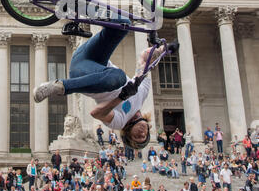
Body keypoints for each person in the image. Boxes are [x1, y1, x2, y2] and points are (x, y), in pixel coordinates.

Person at [34, 20, 178, 150]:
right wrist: (162, 51)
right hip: (89, 57)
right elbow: (144, 59)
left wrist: (122, 97)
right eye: (145, 135)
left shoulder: (120, 122)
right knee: (123, 24)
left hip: (81, 74)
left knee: (119, 78)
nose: (142, 133)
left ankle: (60, 87)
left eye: (138, 137)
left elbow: (96, 113)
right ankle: (84, 12)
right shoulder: (143, 93)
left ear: (128, 134)